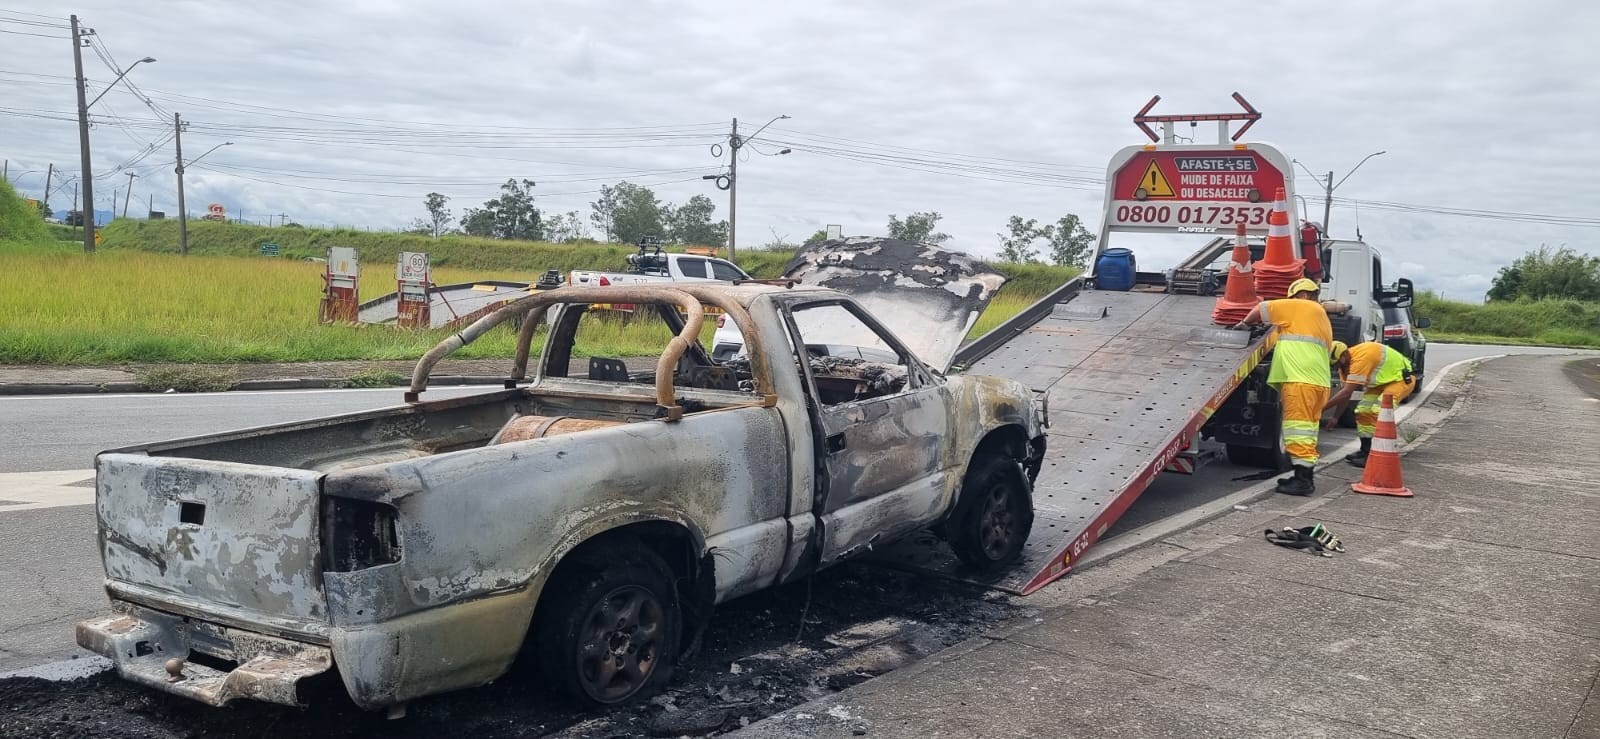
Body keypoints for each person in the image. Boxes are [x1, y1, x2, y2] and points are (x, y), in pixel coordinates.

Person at [1231, 277, 1337, 495]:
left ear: (1303, 295)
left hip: (1301, 382)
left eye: (1292, 298)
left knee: (1296, 429)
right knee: (1307, 431)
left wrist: (1244, 324)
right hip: (1317, 383)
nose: (1289, 302)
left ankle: (1303, 481)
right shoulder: (1319, 318)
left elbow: (1261, 309)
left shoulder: (1303, 306)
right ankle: (1303, 475)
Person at [1323, 340, 1417, 466]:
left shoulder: (1361, 358)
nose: (1338, 368)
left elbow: (1346, 392)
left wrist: (1321, 409)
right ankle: (1365, 451)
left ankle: (1377, 455)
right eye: (1335, 366)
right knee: (1362, 411)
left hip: (1400, 380)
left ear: (1344, 355)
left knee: (1377, 412)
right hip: (1380, 384)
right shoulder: (1345, 366)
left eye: (1338, 364)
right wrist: (1335, 417)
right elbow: (1345, 393)